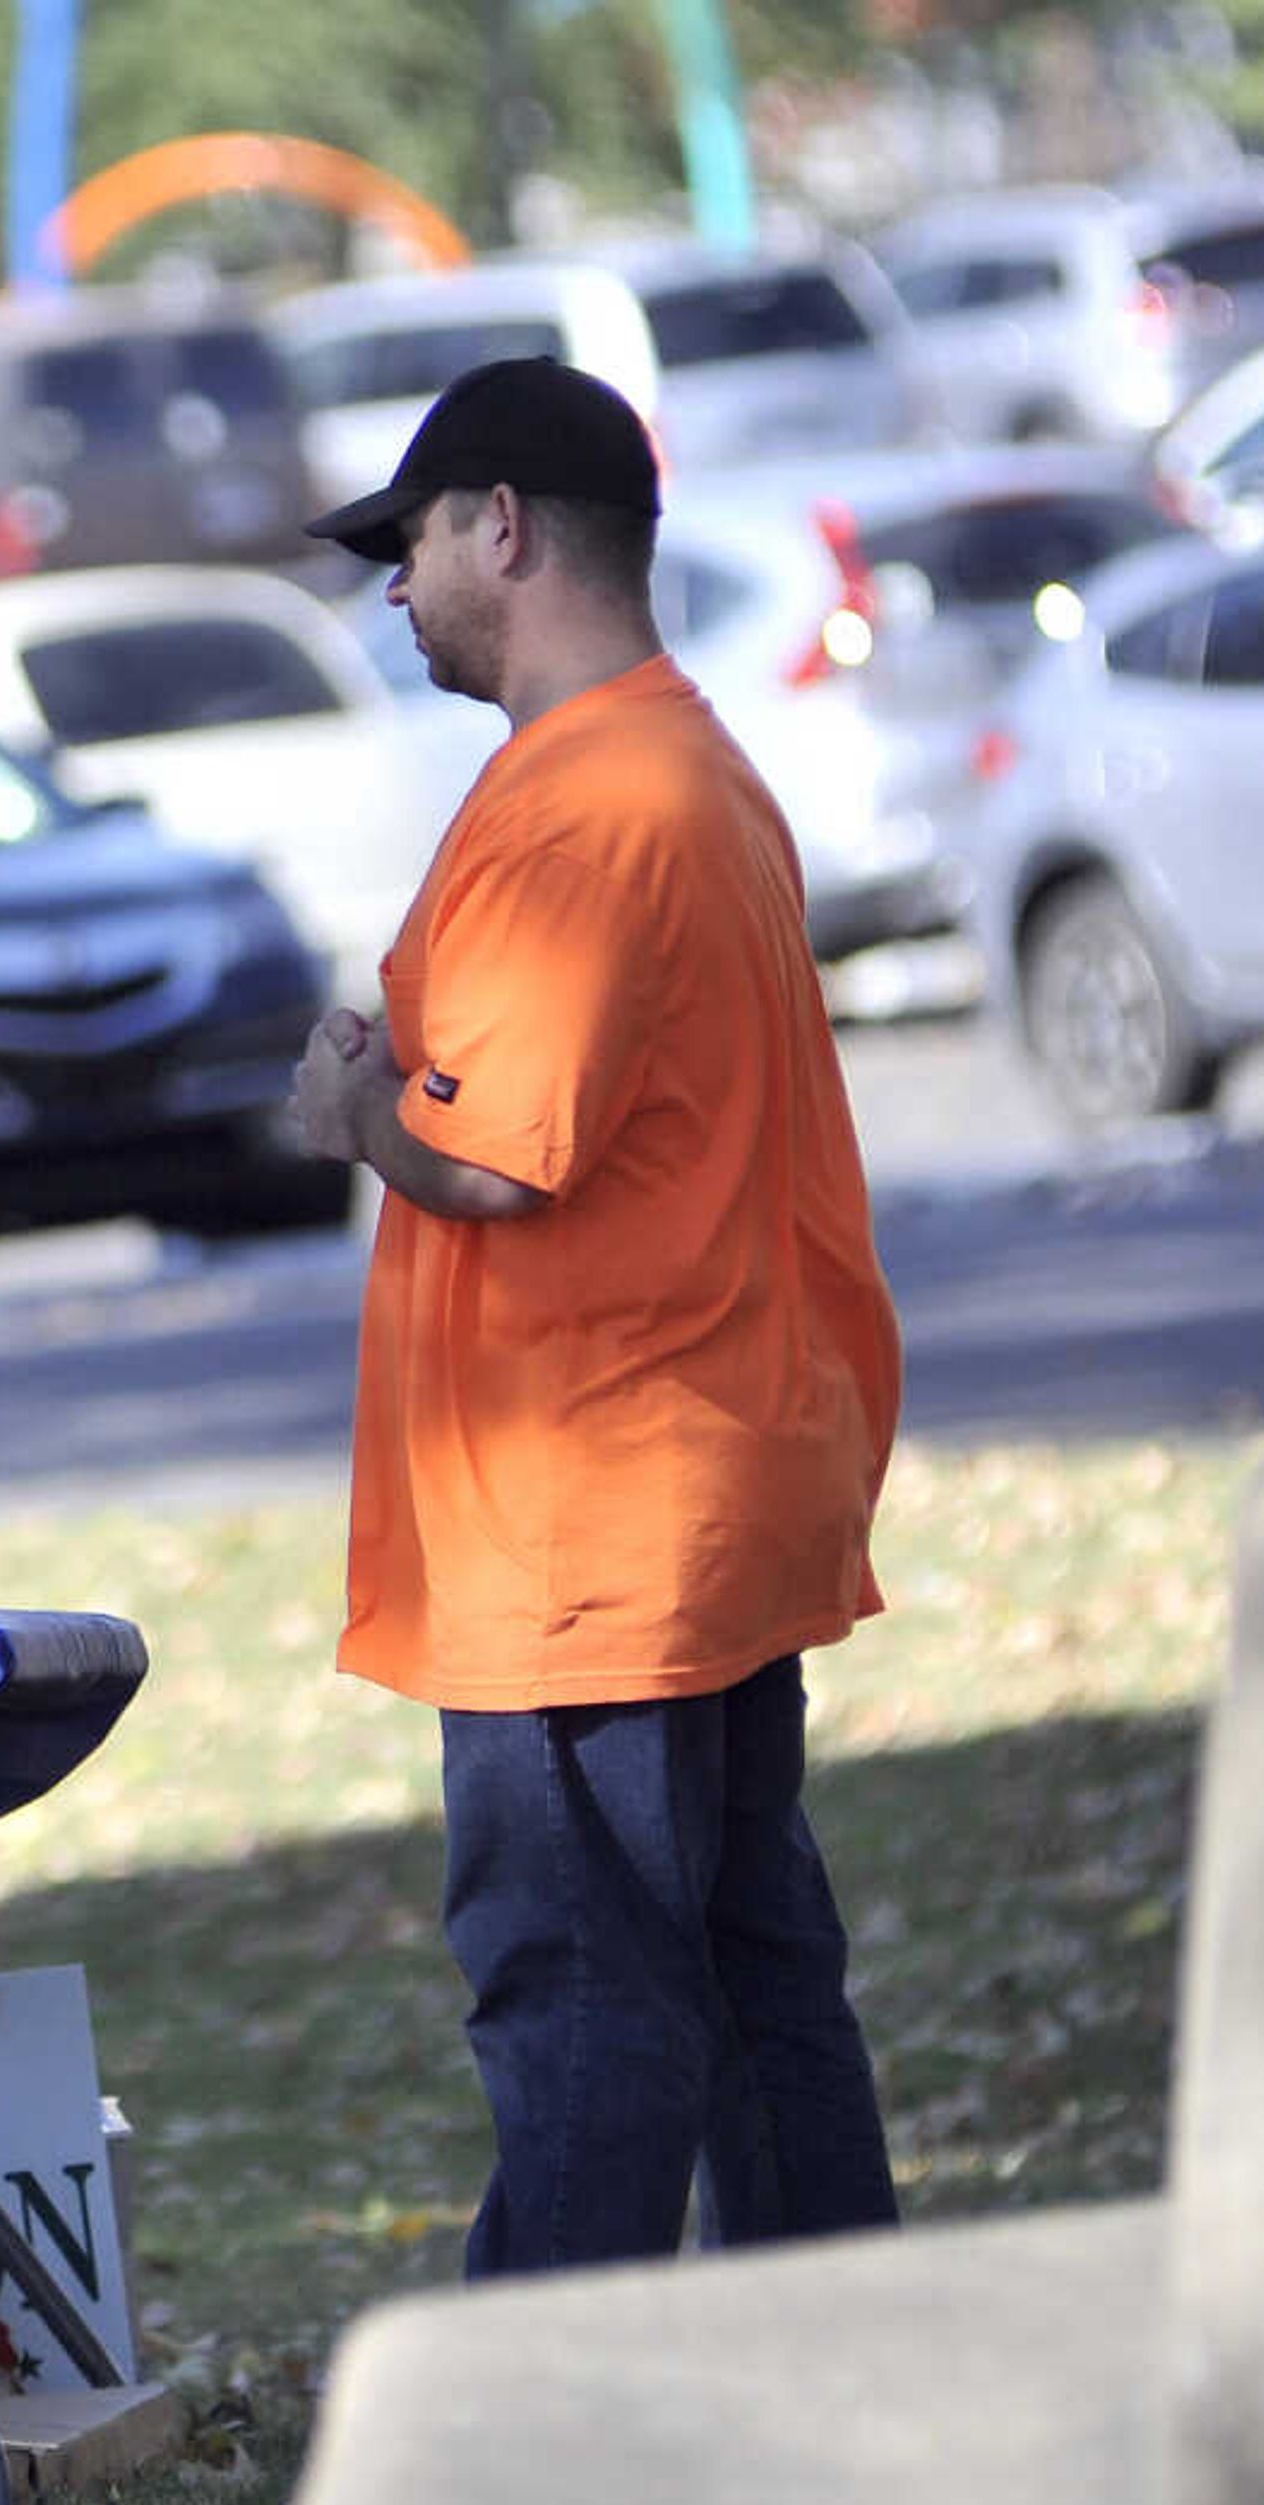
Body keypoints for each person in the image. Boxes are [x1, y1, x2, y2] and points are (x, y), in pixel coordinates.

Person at [283, 358, 907, 2277]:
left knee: (585, 2012)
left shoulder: (587, 801)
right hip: (700, 1484)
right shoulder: (687, 758)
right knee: (746, 1986)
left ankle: (526, 2453)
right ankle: (857, 2382)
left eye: (408, 542)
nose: (394, 589)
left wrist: (356, 1104)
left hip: (586, 1528)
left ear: (505, 523)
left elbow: (494, 1159)